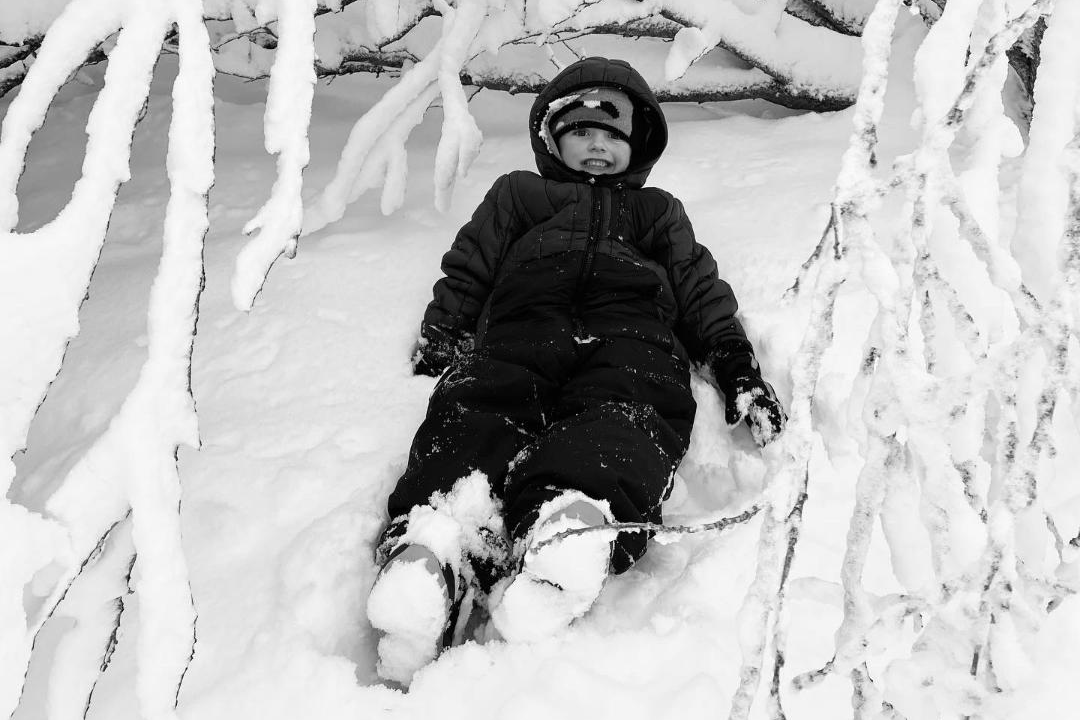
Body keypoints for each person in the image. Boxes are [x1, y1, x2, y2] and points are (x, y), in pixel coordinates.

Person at [364, 56, 786, 685]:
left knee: (625, 415)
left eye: (612, 135)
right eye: (582, 131)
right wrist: (445, 332)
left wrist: (735, 366)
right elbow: (471, 264)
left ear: (638, 146)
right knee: (477, 411)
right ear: (552, 138)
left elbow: (700, 292)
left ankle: (569, 528)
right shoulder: (519, 195)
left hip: (632, 336)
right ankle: (435, 548)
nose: (597, 145)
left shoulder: (657, 213)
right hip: (522, 328)